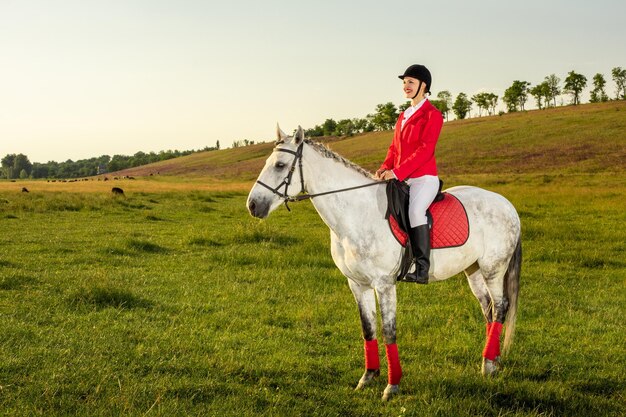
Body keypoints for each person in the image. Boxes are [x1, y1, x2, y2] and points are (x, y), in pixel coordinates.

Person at [374, 64, 443, 283]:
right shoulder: (403, 116)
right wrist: (385, 167)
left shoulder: (432, 115)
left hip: (424, 179)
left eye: (411, 82)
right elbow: (394, 148)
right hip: (401, 177)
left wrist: (397, 172)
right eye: (404, 82)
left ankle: (422, 268)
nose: (406, 86)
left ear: (424, 86)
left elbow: (425, 150)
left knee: (415, 212)